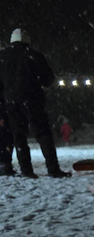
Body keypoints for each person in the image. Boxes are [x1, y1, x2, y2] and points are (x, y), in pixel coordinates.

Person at [0, 29, 69, 178]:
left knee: (19, 136)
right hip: (33, 100)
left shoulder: (2, 57)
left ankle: (26, 170)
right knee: (43, 134)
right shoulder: (34, 55)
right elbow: (48, 79)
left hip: (11, 102)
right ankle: (53, 168)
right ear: (27, 40)